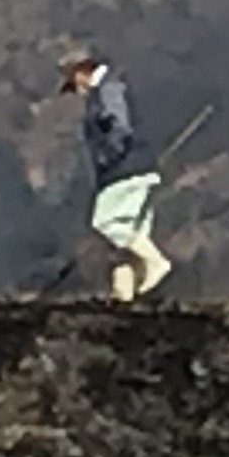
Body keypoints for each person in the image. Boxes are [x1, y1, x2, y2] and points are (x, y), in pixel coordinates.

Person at [60, 53, 172, 302]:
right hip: (134, 165)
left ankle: (156, 263)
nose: (77, 93)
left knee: (107, 222)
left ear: (81, 74)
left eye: (75, 85)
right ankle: (124, 295)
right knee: (128, 237)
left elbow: (118, 126)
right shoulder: (109, 88)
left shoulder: (108, 89)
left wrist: (114, 157)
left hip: (126, 168)